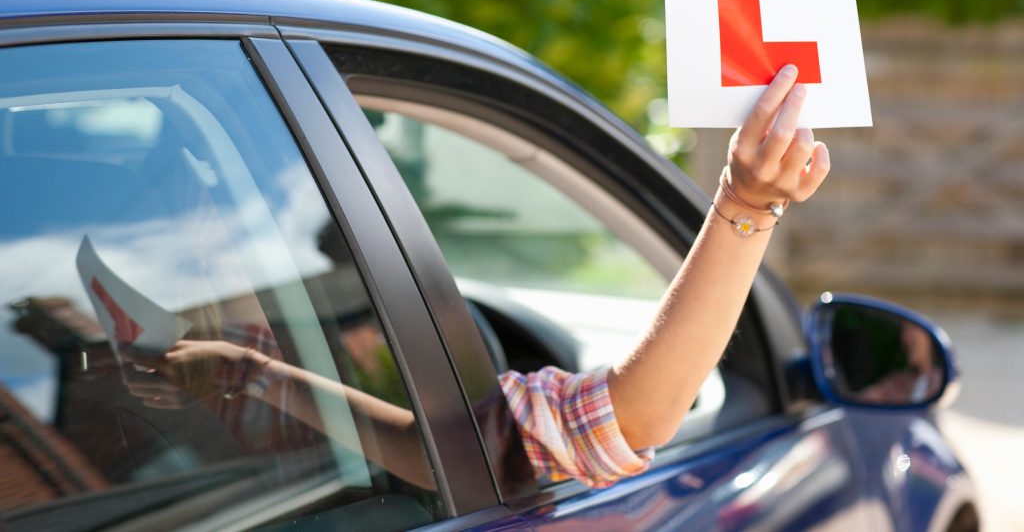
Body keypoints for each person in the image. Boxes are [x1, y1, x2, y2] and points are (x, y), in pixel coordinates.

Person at [120, 64, 829, 490]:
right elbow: (620, 422)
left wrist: (245, 368)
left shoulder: (141, 370)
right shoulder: (228, 372)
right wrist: (744, 203)